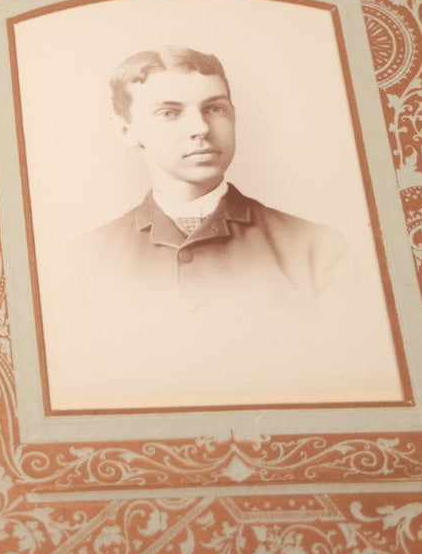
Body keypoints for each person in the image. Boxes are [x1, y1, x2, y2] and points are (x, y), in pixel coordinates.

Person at [42, 46, 401, 409]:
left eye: (215, 109)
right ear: (126, 130)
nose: (201, 128)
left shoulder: (315, 249)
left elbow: (363, 383)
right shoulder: (82, 263)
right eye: (170, 113)